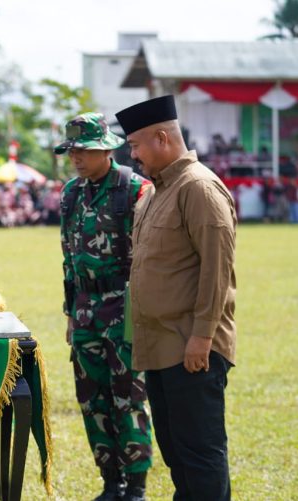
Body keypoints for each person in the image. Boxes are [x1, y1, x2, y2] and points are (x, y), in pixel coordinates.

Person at [115, 95, 237, 501]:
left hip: (191, 346)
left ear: (162, 138)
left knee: (199, 453)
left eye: (134, 145)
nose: (131, 155)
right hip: (160, 346)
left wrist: (202, 337)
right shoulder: (155, 192)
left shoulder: (198, 188)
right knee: (177, 452)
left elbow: (217, 270)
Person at [55, 112, 153, 501]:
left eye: (84, 150)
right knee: (91, 397)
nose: (76, 158)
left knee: (128, 396)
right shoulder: (71, 193)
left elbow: (150, 255)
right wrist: (69, 312)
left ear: (105, 149)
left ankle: (137, 486)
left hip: (124, 306)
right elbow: (68, 257)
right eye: (72, 151)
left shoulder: (134, 189)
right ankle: (111, 483)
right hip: (83, 309)